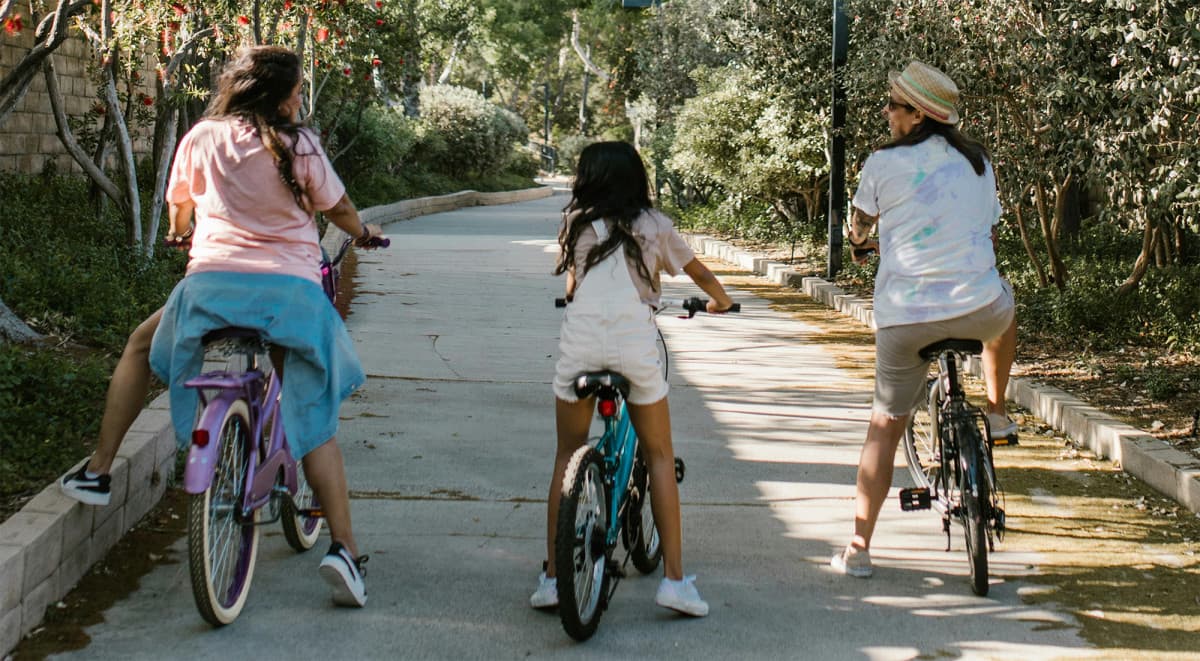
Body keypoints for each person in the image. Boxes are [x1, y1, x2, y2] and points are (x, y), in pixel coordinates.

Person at [66, 45, 382, 607]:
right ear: (281, 98)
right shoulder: (300, 145)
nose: (300, 101)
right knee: (314, 415)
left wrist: (181, 232)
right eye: (297, 92)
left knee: (139, 347)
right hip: (289, 298)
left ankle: (98, 469)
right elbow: (338, 210)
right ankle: (344, 551)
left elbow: (180, 210)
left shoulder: (202, 137)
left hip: (211, 292)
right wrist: (363, 233)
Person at [530, 141, 735, 617]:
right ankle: (675, 583)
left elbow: (574, 284)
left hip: (580, 345)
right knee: (659, 455)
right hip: (634, 347)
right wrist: (721, 303)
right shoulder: (655, 225)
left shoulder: (574, 222)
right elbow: (701, 274)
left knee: (566, 455)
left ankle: (554, 579)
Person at [832, 61, 1018, 579]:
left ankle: (859, 549)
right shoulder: (979, 161)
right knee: (1005, 305)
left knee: (885, 425)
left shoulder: (882, 162)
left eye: (893, 105)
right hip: (979, 308)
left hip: (906, 318)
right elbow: (990, 231)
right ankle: (997, 412)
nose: (886, 113)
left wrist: (859, 242)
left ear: (917, 115)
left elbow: (861, 225)